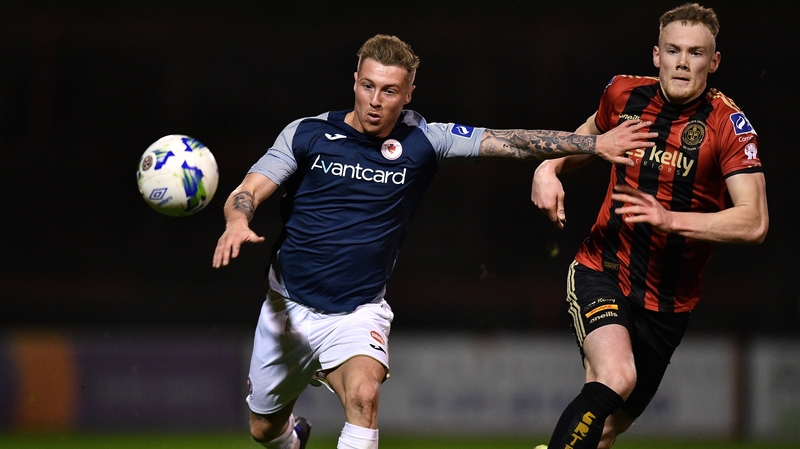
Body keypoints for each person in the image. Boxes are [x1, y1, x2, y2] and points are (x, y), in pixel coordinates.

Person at [212, 33, 656, 449]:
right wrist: (236, 220)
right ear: (354, 82)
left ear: (408, 94)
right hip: (287, 306)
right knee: (262, 427)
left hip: (356, 310)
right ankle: (292, 437)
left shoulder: (425, 139)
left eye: (389, 91)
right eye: (368, 86)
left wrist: (592, 144)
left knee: (364, 397)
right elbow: (248, 191)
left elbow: (508, 141)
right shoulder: (306, 133)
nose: (375, 101)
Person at [531, 3, 768, 449]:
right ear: (656, 55)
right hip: (601, 269)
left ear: (713, 62)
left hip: (667, 305)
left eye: (696, 53)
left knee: (604, 429)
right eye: (673, 50)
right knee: (616, 375)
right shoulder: (624, 95)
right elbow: (589, 138)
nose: (683, 62)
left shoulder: (729, 127)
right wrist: (550, 167)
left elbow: (754, 220)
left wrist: (668, 219)